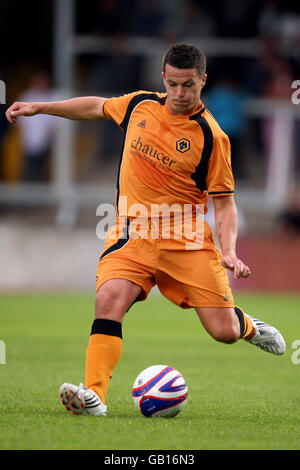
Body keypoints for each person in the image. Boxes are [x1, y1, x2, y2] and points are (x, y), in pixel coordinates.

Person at [6, 43, 286, 417]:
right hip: (130, 233)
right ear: (163, 79)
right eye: (172, 84)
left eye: (188, 85)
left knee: (223, 331)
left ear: (203, 81)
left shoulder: (211, 137)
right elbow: (95, 107)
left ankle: (247, 326)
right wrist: (41, 107)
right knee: (109, 300)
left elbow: (224, 202)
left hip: (185, 239)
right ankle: (95, 395)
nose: (180, 94)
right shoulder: (140, 105)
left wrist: (229, 249)